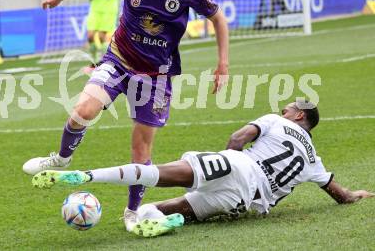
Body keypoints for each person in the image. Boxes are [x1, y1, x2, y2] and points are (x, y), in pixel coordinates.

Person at [22, 0, 229, 231]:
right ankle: (62, 158)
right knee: (82, 110)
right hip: (118, 59)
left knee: (140, 149)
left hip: (156, 75)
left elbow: (218, 18)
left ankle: (132, 212)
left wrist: (223, 63)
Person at [31, 101, 374, 237]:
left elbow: (238, 138)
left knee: (157, 174)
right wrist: (355, 194)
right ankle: (153, 221)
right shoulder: (314, 158)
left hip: (239, 165)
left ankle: (87, 176)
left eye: (288, 108)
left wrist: (221, 165)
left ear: (299, 115)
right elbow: (339, 194)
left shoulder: (274, 121)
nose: (283, 110)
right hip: (246, 201)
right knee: (169, 208)